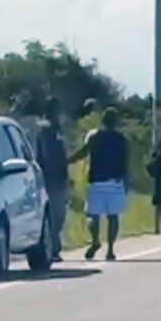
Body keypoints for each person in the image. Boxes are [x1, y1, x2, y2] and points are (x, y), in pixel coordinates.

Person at [69, 107, 129, 261]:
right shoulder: (122, 139)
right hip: (115, 182)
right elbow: (126, 162)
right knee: (113, 217)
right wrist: (126, 181)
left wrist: (67, 161)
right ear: (116, 122)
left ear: (103, 121)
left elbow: (83, 152)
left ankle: (95, 240)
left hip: (97, 181)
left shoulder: (95, 137)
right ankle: (110, 249)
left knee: (92, 215)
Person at [35, 97, 69, 262]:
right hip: (49, 178)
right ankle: (53, 248)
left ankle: (54, 247)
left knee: (58, 215)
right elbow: (46, 156)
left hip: (58, 178)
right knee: (54, 215)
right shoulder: (46, 130)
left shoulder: (56, 130)